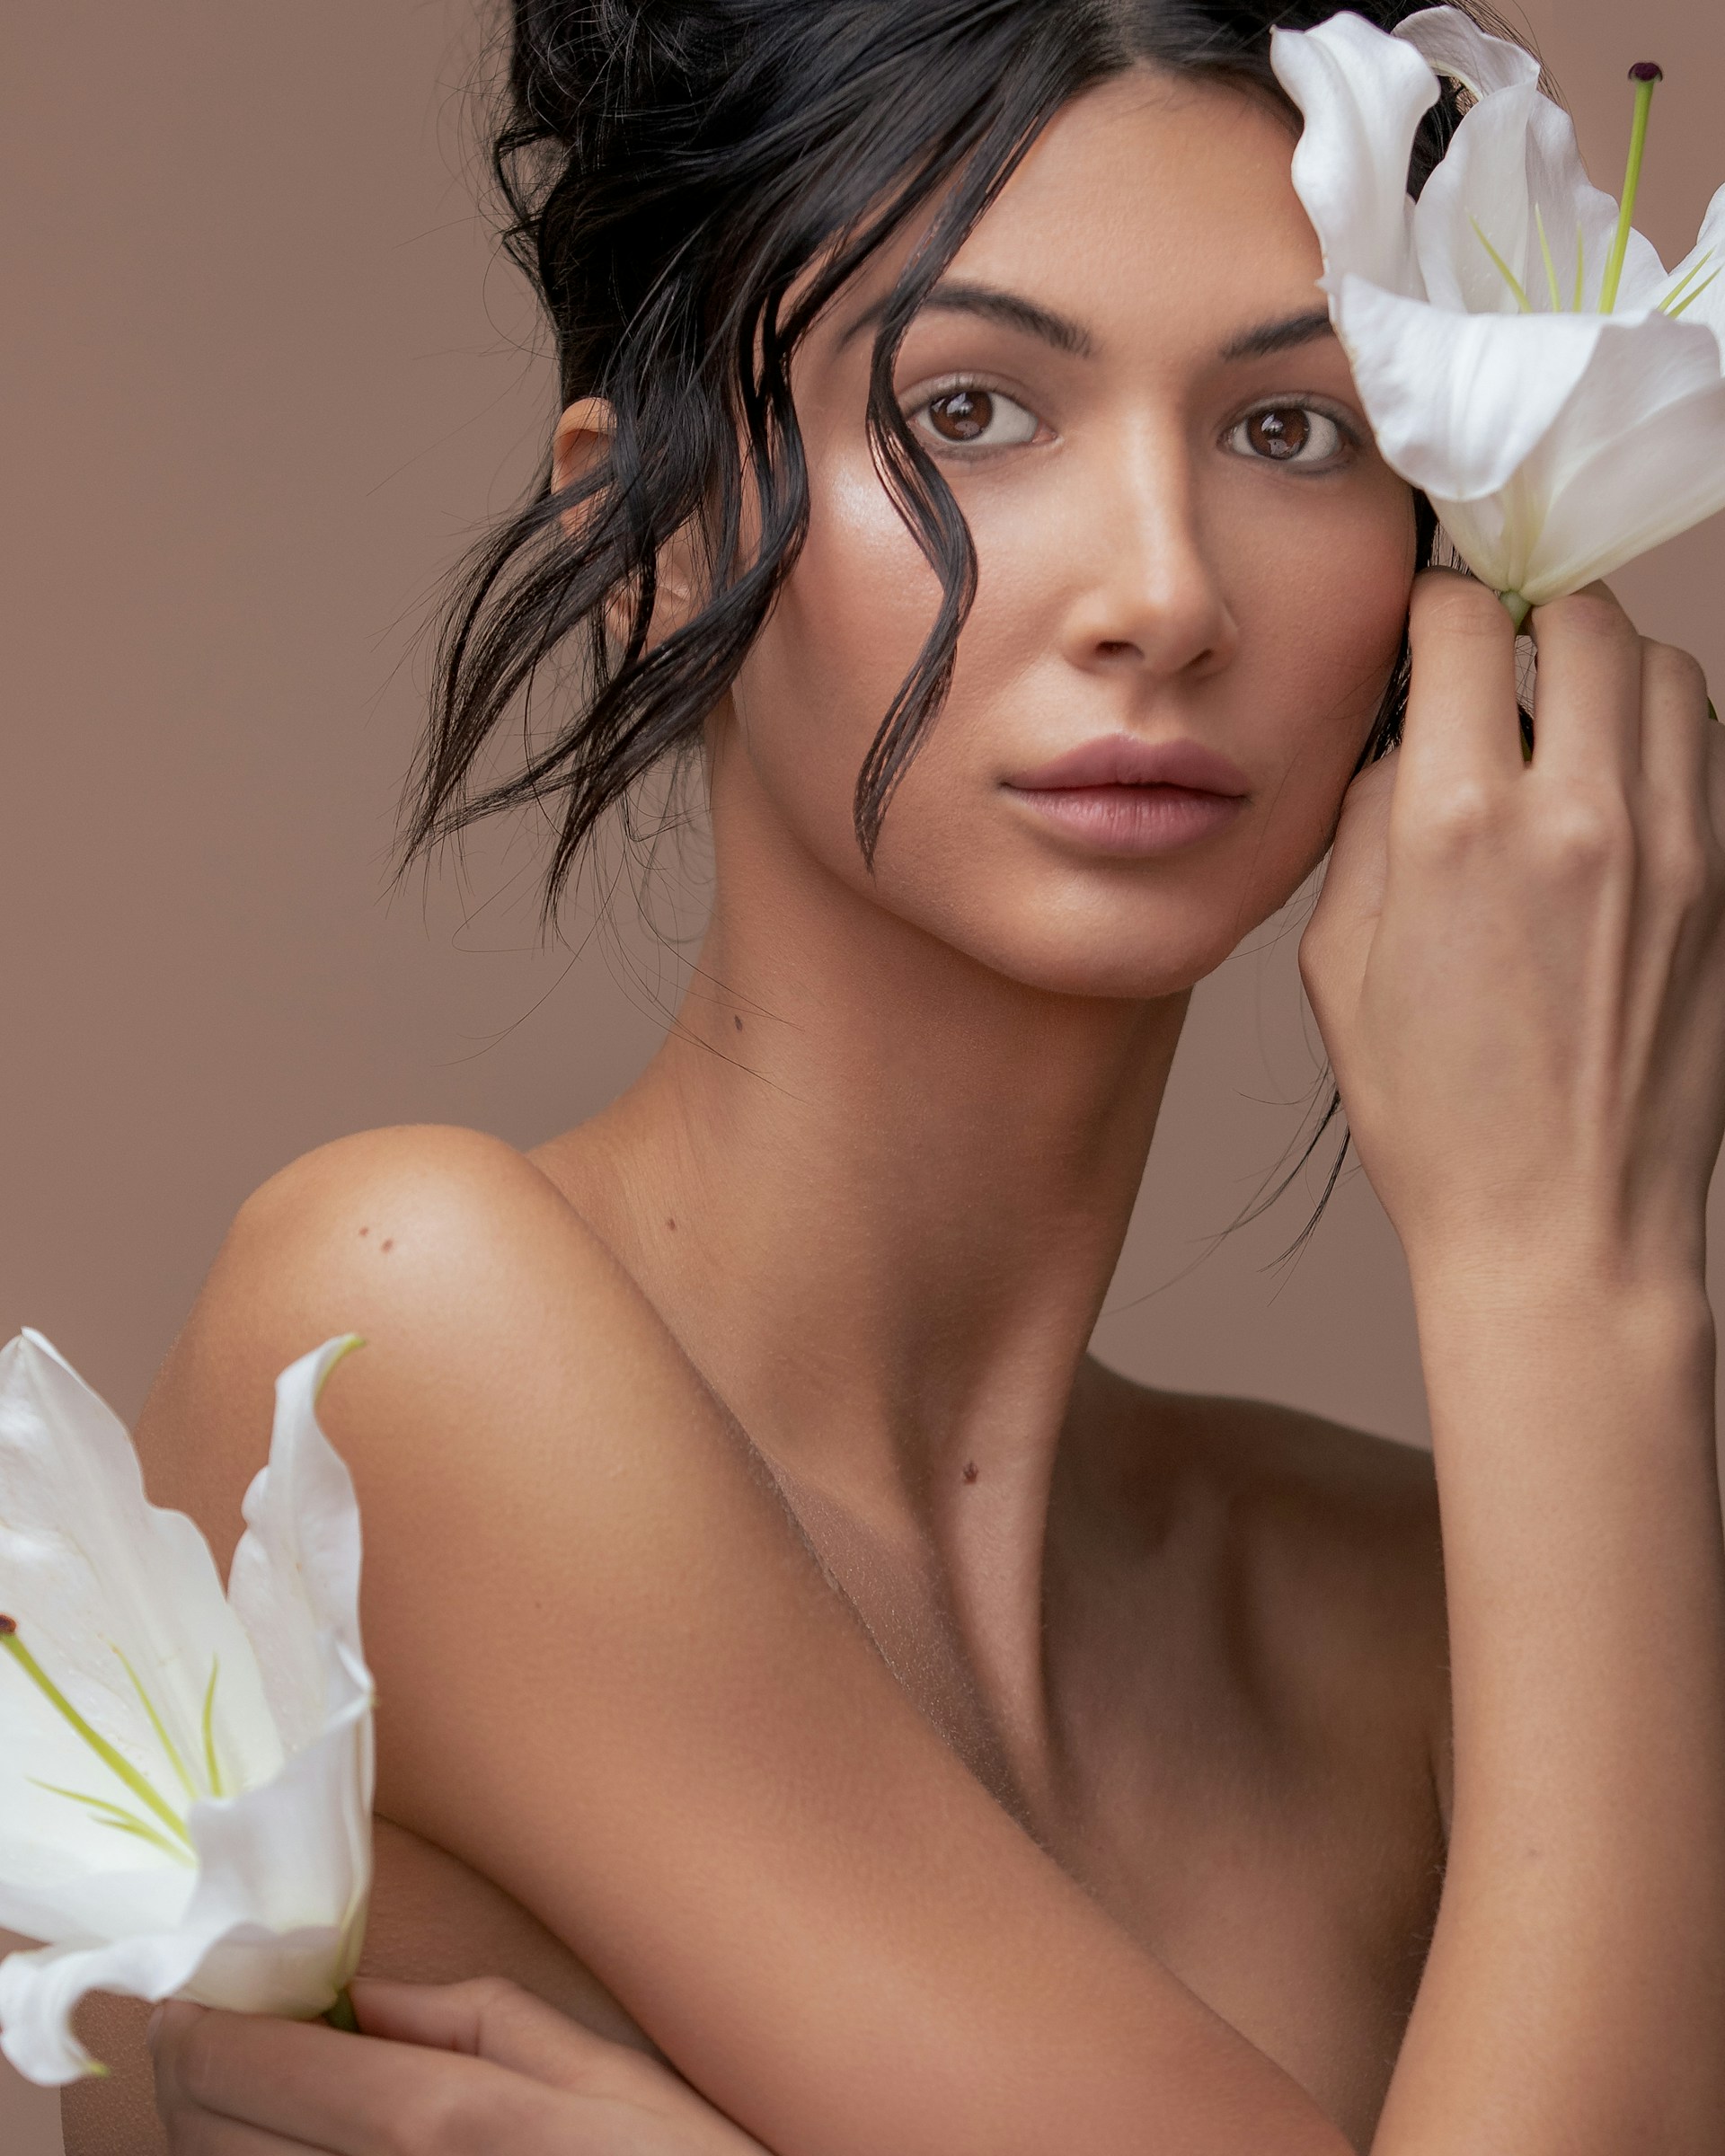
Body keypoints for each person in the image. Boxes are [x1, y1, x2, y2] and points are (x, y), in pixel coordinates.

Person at [71, 0, 1725, 2150]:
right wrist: (1565, 1279)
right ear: (646, 543)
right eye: (971, 408)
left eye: (1298, 431)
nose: (1162, 591)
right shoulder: (399, 1333)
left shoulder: (1410, 1621)